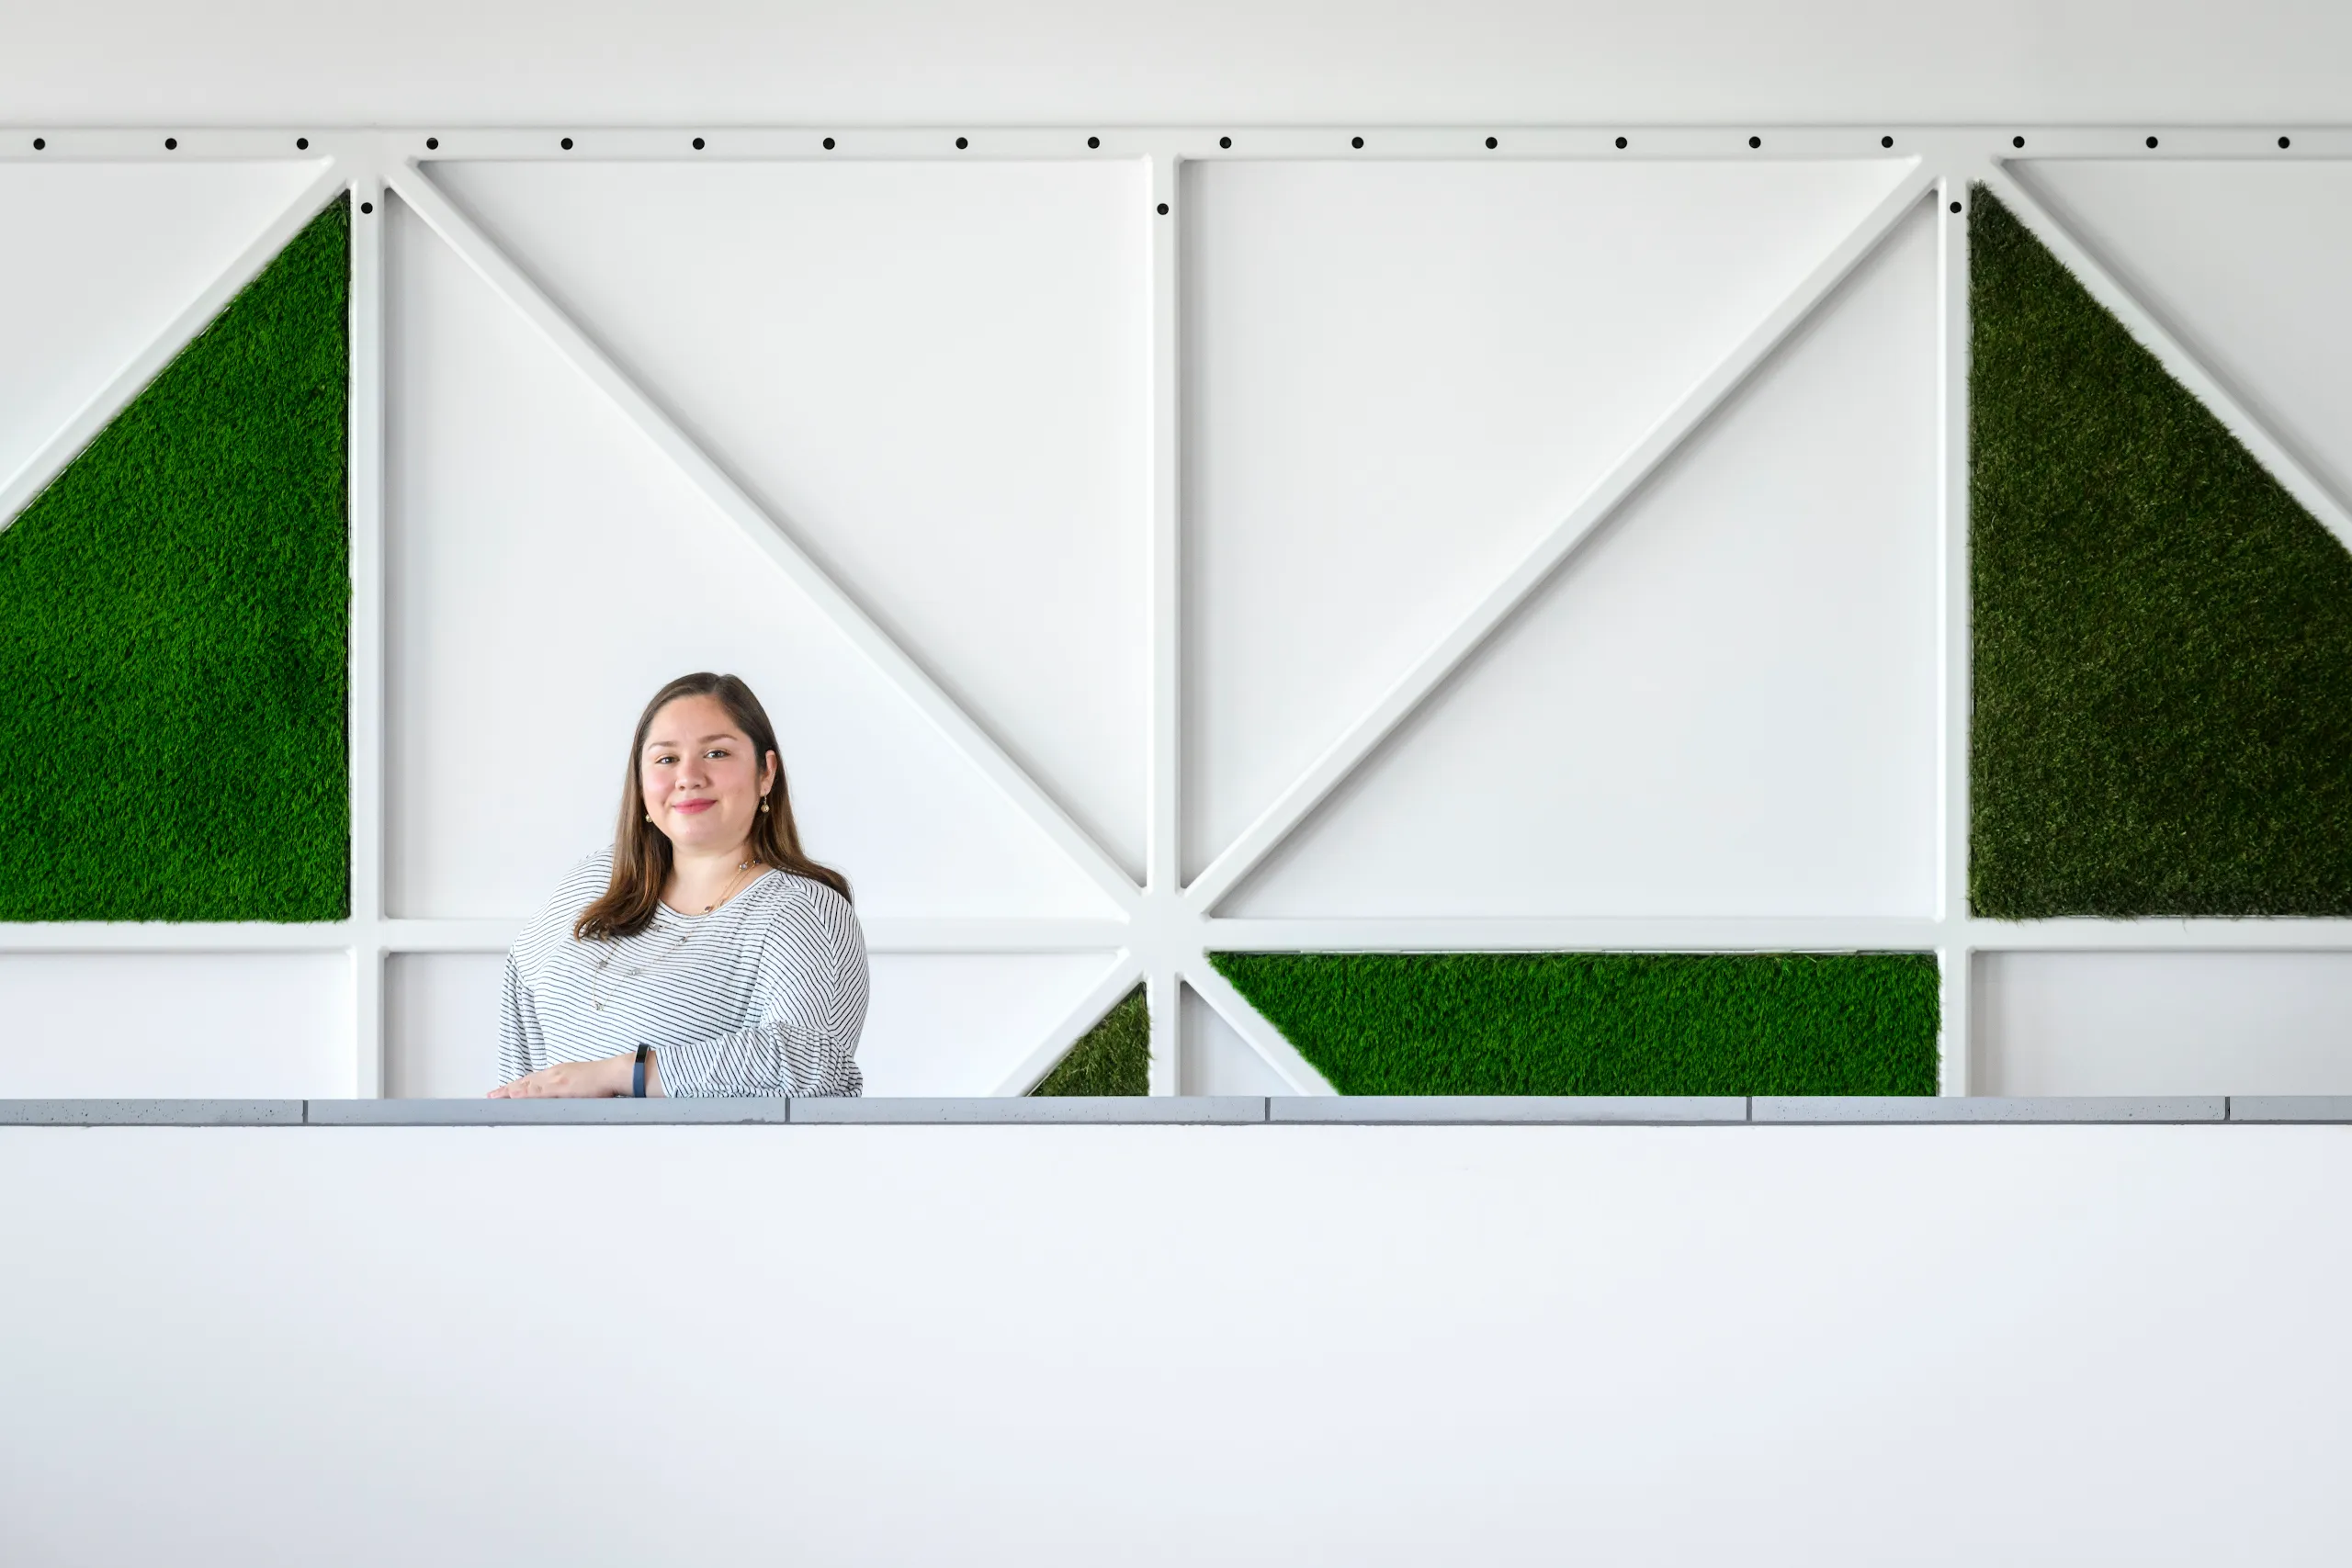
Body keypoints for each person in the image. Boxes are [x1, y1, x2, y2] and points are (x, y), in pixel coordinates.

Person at [491, 671, 866, 1099]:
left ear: (766, 772)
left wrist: (624, 1075)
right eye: (666, 759)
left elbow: (813, 1067)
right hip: (554, 1163)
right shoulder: (589, 883)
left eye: (716, 753)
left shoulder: (804, 910)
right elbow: (521, 1038)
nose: (688, 776)